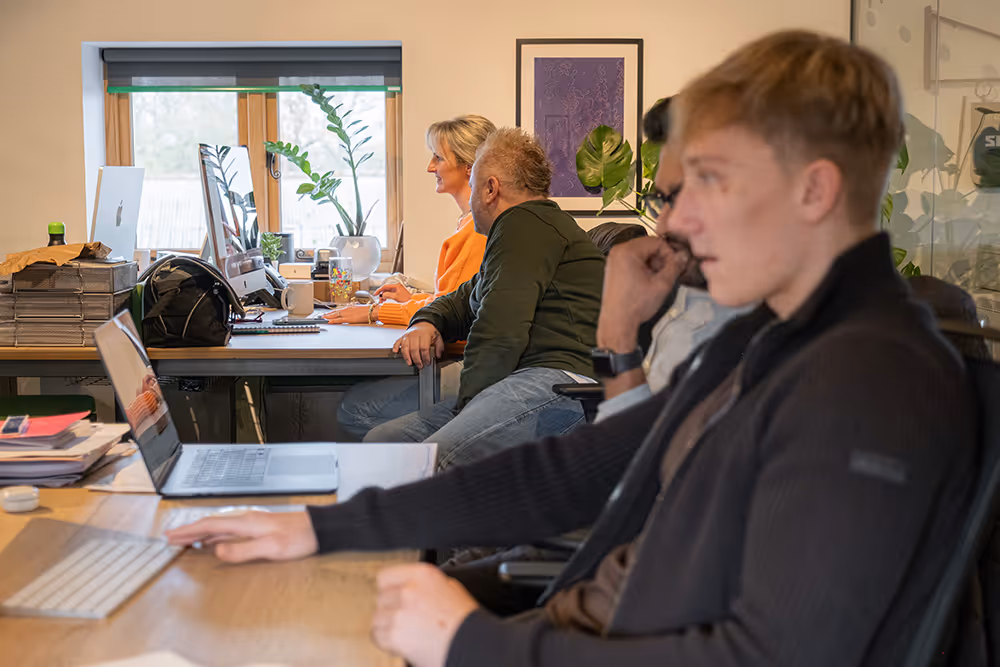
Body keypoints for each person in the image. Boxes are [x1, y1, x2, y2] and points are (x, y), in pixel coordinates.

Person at [168, 30, 978, 667]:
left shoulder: (870, 381)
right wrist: (323, 527)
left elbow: (767, 655)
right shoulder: (769, 339)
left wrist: (470, 641)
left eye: (710, 180)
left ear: (815, 189)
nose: (676, 221)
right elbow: (570, 472)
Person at [360, 127, 605, 468]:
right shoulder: (525, 232)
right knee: (384, 443)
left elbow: (500, 332)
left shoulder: (524, 224)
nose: (472, 196)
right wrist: (427, 321)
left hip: (560, 383)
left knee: (427, 464)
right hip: (525, 379)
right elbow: (462, 300)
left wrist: (468, 408)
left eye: (474, 186)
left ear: (491, 189)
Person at [327, 115, 495, 439]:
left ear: (468, 167)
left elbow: (456, 315)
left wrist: (375, 312)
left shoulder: (476, 232)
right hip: (459, 356)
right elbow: (453, 299)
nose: (431, 167)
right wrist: (414, 300)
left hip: (464, 363)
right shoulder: (468, 223)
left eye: (438, 158)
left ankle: (426, 461)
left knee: (353, 408)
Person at [594, 96, 754, 422]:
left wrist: (616, 328)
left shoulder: (759, 338)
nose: (663, 225)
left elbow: (628, 443)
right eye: (663, 200)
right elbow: (618, 434)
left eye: (683, 196)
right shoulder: (695, 290)